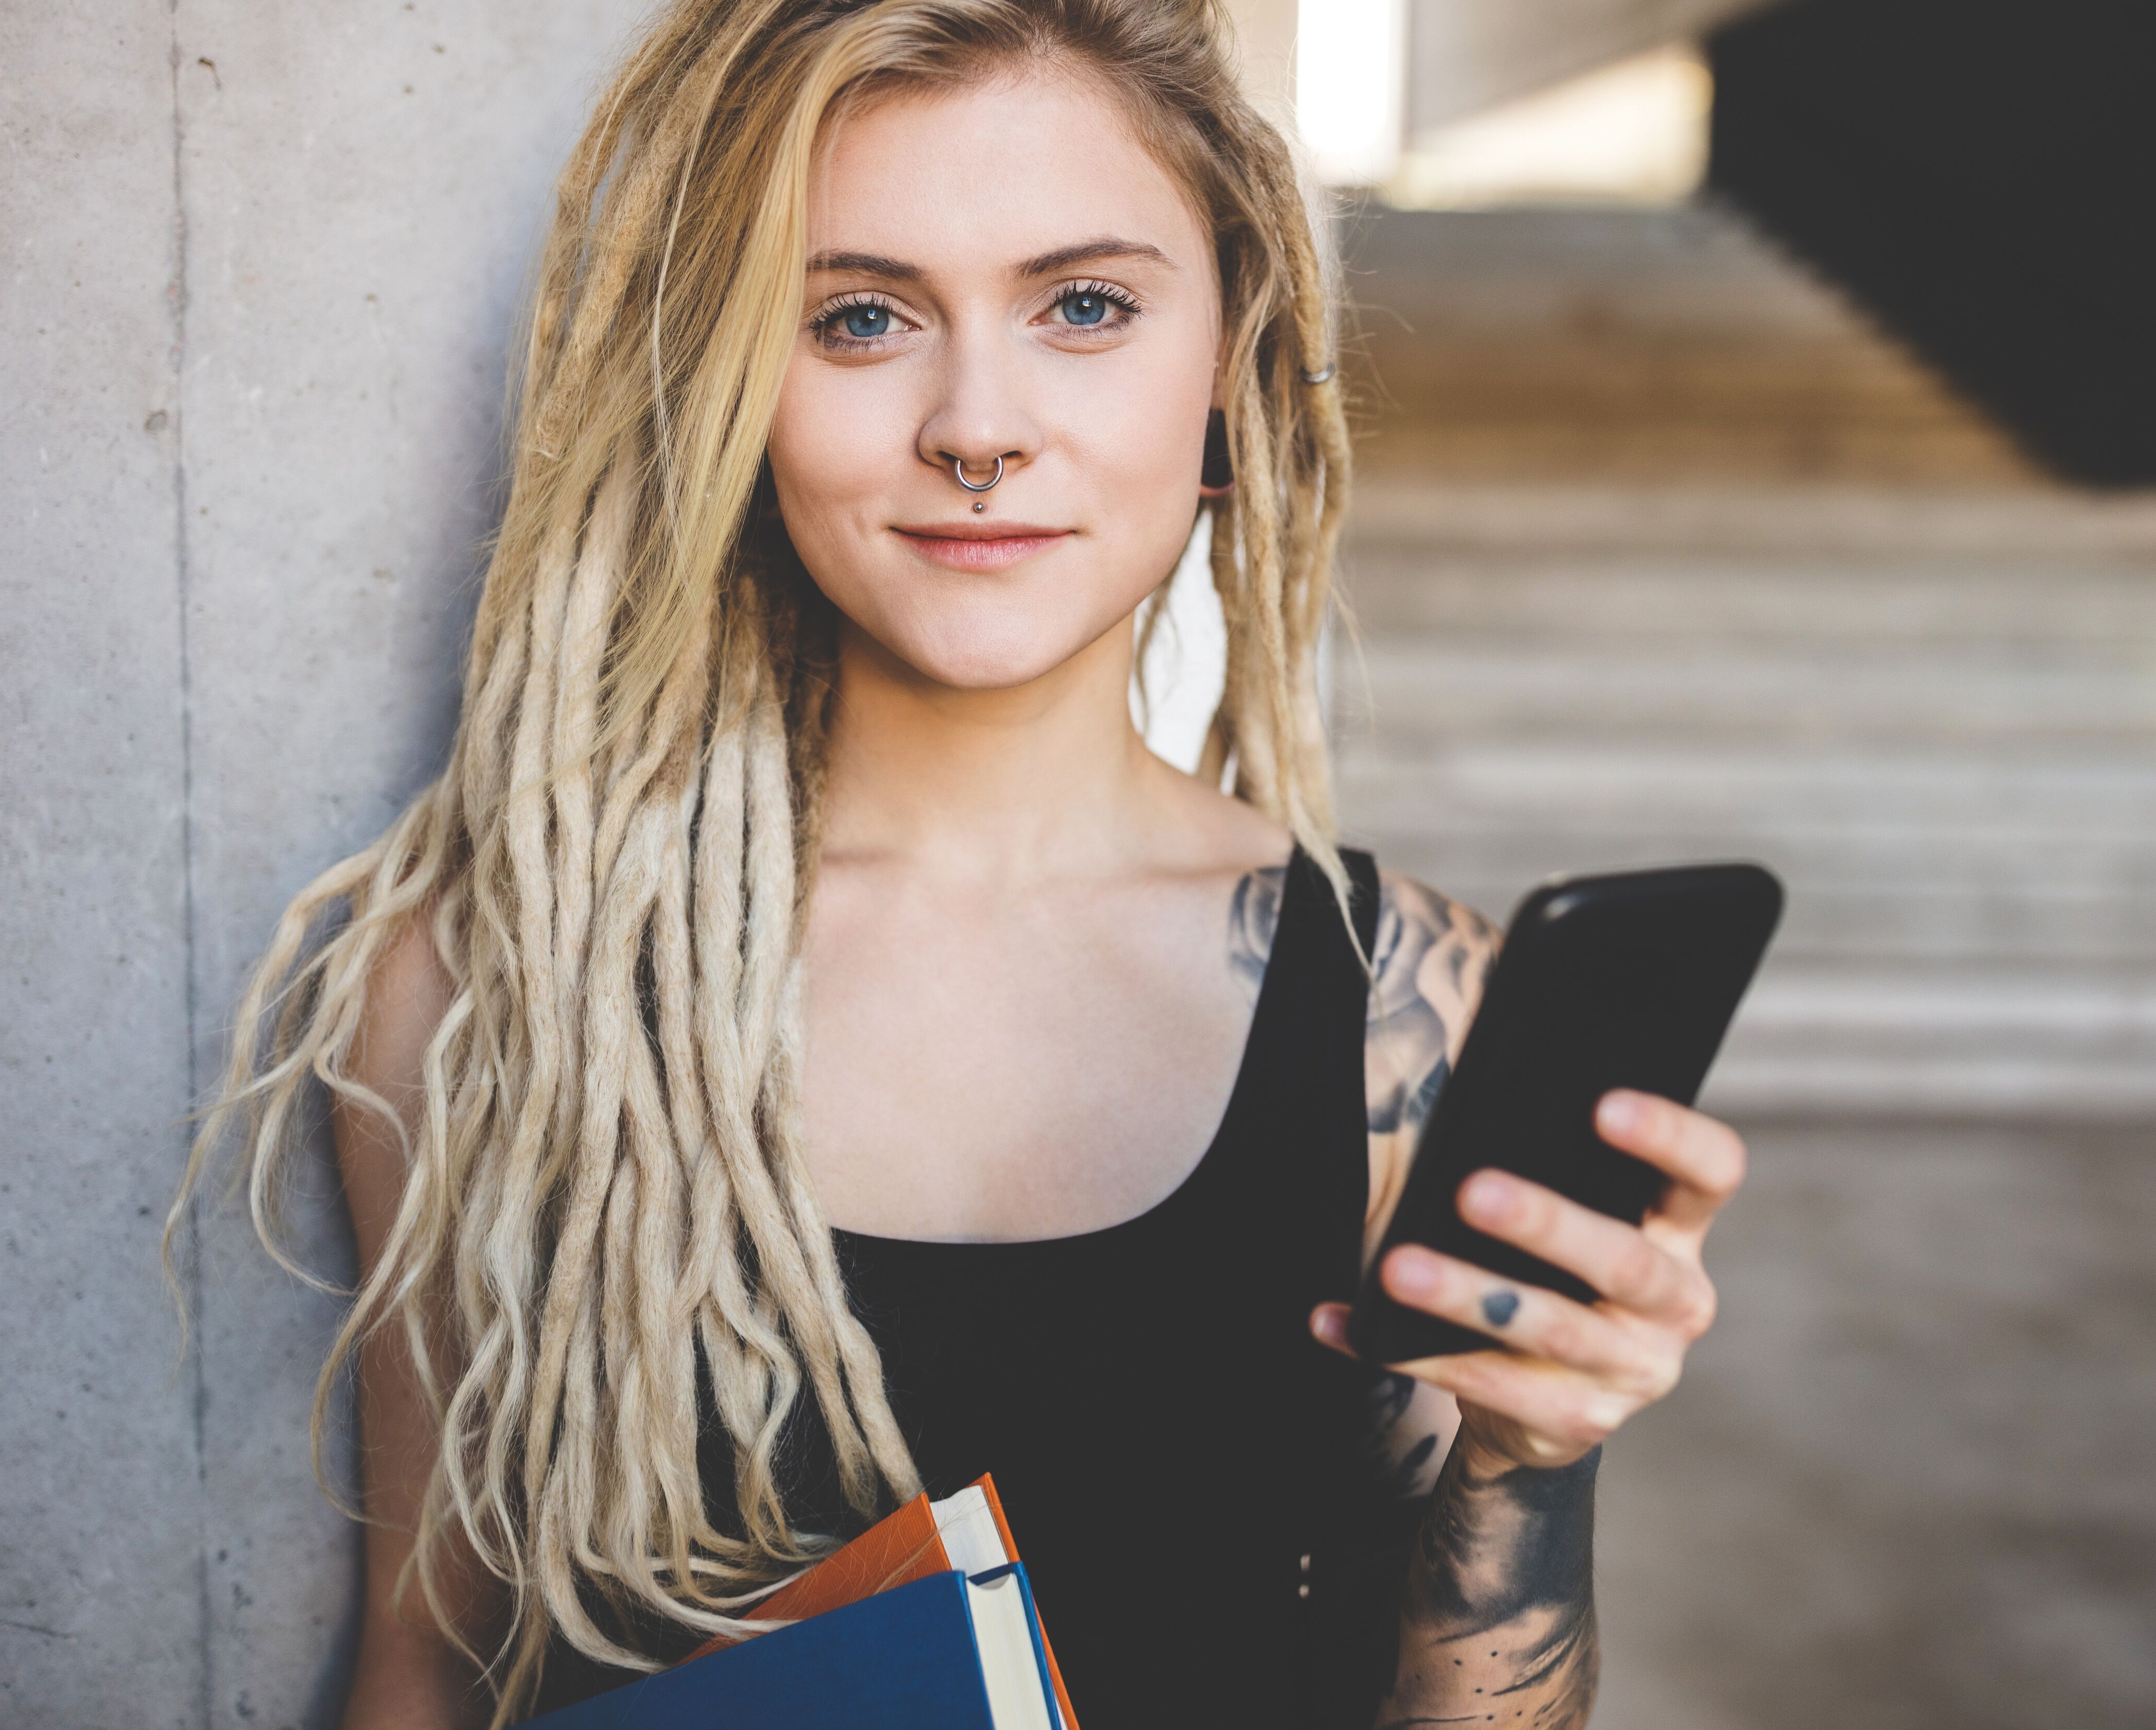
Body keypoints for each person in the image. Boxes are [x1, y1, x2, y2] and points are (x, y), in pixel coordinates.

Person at [169, 3, 1744, 1725]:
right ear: (731, 388)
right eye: (859, 318)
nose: (976, 425)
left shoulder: (1407, 1019)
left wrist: (1534, 1464)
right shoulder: (494, 985)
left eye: (1084, 306)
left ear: (1229, 351)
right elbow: (431, 1658)